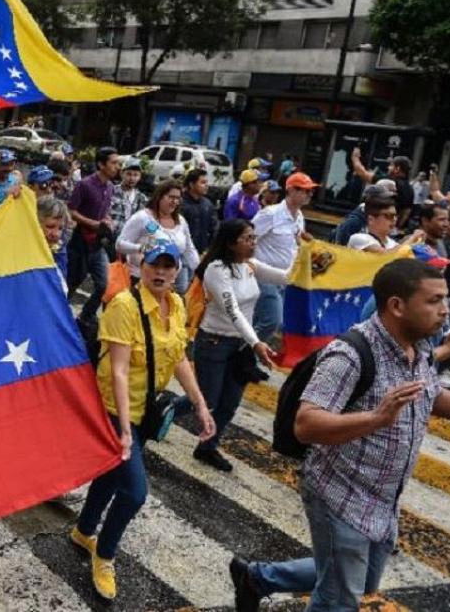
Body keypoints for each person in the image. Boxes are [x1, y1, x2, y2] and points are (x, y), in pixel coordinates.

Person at [232, 258, 450, 611]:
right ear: (397, 305)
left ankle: (258, 578)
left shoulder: (418, 348)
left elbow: (430, 392)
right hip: (341, 494)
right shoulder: (350, 353)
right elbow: (307, 423)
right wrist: (376, 418)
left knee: (359, 580)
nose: (445, 312)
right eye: (434, 300)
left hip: (383, 500)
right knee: (338, 600)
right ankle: (262, 579)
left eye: (446, 300)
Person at [71, 241, 215, 600]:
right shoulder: (124, 306)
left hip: (144, 408)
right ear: (141, 265)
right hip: (115, 410)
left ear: (178, 271)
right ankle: (104, 555)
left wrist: (199, 404)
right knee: (134, 492)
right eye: (155, 265)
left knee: (111, 474)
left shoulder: (177, 304)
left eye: (169, 266)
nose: (162, 272)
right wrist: (122, 430)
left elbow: (178, 356)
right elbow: (118, 371)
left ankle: (84, 529)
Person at [191, 220, 289, 471]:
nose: (254, 242)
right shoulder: (216, 269)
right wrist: (256, 343)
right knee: (207, 399)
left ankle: (207, 447)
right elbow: (232, 310)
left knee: (230, 402)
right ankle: (163, 408)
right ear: (231, 242)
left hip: (239, 346)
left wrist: (316, 264)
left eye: (254, 237)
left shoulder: (250, 266)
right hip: (214, 342)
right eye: (248, 238)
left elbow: (287, 277)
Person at [251, 172, 316, 346]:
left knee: (260, 320)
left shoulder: (299, 216)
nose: (309, 194)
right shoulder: (270, 214)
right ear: (291, 191)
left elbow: (296, 243)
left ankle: (245, 359)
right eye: (305, 190)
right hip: (264, 276)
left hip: (286, 278)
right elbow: (248, 238)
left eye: (311, 191)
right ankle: (246, 354)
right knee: (272, 321)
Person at [117, 179, 201, 294]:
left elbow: (189, 249)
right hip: (140, 280)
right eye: (171, 197)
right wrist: (140, 248)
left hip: (169, 282)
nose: (174, 202)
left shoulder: (181, 221)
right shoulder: (142, 218)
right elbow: (119, 244)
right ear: (160, 196)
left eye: (178, 198)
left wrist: (201, 273)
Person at [67, 147, 119, 323]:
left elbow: (104, 211)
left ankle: (86, 315)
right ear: (101, 164)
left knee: (105, 284)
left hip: (98, 244)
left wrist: (107, 220)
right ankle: (59, 313)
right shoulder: (84, 185)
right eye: (113, 163)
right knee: (72, 282)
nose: (117, 167)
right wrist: (92, 223)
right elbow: (72, 211)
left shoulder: (111, 187)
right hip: (79, 241)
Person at [347, 197, 423, 253]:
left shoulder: (392, 243)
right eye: (389, 216)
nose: (394, 219)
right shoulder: (358, 238)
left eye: (395, 216)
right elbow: (387, 256)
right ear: (371, 219)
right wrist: (413, 238)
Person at [180, 168, 217, 253]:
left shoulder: (208, 204)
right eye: (203, 182)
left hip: (204, 252)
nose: (207, 185)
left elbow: (214, 229)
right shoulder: (180, 204)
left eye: (206, 182)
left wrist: (210, 249)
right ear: (192, 184)